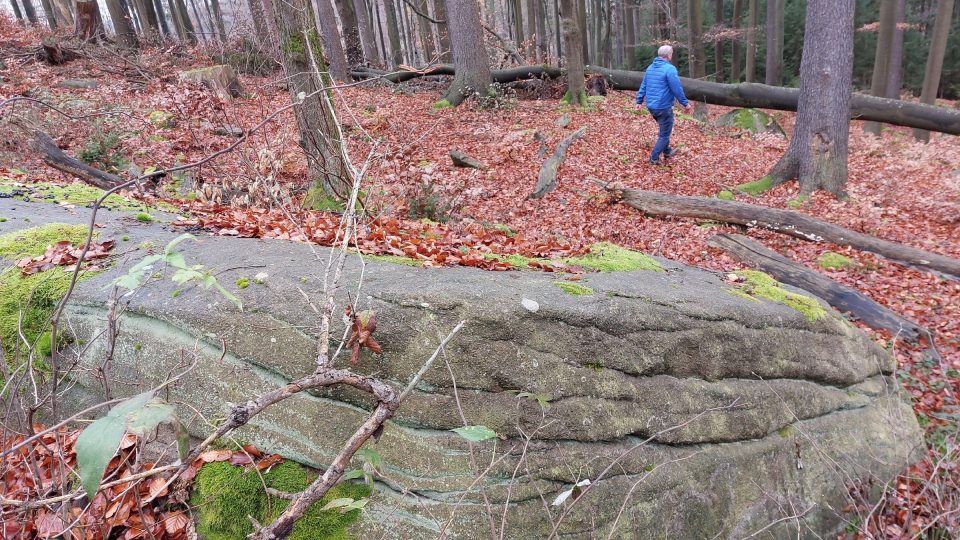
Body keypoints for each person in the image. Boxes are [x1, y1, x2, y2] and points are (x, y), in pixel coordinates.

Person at [635, 45, 693, 165]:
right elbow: (677, 88)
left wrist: (639, 101)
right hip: (663, 107)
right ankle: (654, 158)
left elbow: (643, 85)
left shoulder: (650, 68)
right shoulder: (670, 69)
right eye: (671, 53)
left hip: (652, 107)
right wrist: (685, 103)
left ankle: (667, 151)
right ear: (669, 55)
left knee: (664, 130)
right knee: (664, 135)